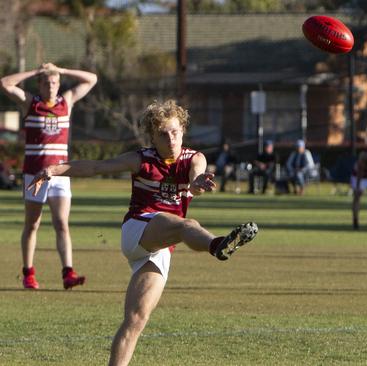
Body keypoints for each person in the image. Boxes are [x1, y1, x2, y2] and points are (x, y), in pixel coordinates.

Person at [27, 100, 258, 366]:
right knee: (187, 225)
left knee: (136, 319)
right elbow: (96, 167)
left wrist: (198, 182)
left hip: (160, 247)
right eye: (163, 133)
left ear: (183, 130)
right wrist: (52, 170)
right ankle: (217, 245)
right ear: (152, 137)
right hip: (138, 228)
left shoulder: (194, 158)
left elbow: (196, 175)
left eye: (174, 131)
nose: (170, 138)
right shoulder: (141, 159)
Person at [0, 62, 97, 289]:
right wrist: (37, 71)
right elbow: (5, 83)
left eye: (54, 83)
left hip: (60, 175)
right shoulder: (30, 103)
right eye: (46, 83)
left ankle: (68, 273)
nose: (51, 87)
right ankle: (28, 273)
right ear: (40, 85)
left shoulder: (67, 102)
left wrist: (62, 70)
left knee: (62, 223)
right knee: (32, 224)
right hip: (35, 175)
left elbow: (91, 78)